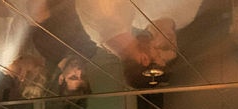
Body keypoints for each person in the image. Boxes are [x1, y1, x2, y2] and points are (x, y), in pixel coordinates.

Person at [74, 0, 203, 87]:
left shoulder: (103, 17)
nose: (155, 45)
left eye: (157, 54)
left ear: (144, 59)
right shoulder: (120, 28)